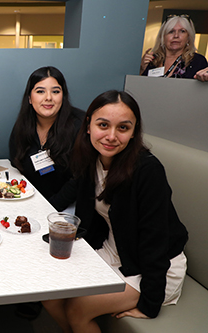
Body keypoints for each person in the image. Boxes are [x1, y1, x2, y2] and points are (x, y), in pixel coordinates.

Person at [46, 90, 188, 332]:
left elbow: (156, 240)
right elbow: (73, 199)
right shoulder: (92, 159)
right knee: (49, 294)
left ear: (133, 132)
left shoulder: (147, 171)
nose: (111, 136)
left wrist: (150, 304)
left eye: (123, 128)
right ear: (88, 125)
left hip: (152, 267)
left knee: (77, 309)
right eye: (103, 125)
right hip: (113, 250)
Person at [9, 66, 84, 200]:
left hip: (67, 208)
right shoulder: (23, 126)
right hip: (30, 201)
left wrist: (50, 208)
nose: (48, 97)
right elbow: (16, 164)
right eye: (40, 91)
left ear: (63, 96)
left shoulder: (79, 126)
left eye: (55, 91)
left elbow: (79, 179)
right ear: (30, 98)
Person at [140, 15, 207, 78]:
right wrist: (142, 69)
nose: (176, 36)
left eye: (182, 31)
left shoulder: (198, 61)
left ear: (188, 38)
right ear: (163, 37)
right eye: (171, 31)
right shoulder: (152, 61)